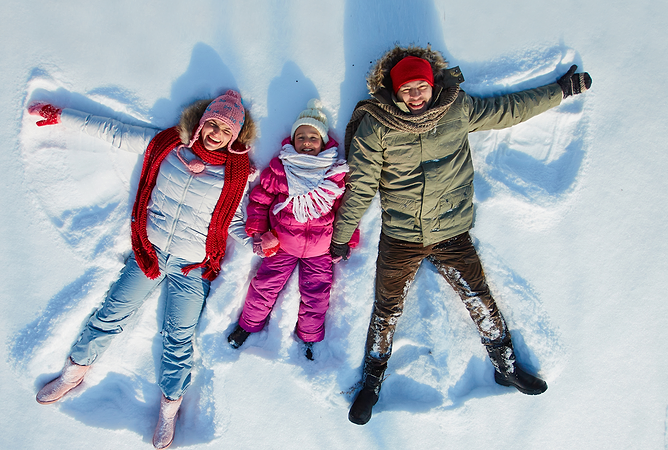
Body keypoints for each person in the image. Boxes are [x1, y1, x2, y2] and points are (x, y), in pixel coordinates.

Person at [330, 45, 592, 425]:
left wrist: (562, 90)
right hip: (401, 236)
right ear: (394, 91)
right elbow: (362, 185)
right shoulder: (377, 125)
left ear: (433, 84)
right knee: (387, 308)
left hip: (451, 230)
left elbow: (509, 109)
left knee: (479, 297)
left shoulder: (456, 108)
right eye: (407, 89)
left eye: (421, 86)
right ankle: (372, 382)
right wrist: (342, 235)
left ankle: (505, 364)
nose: (415, 95)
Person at [28, 90, 256, 449]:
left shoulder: (236, 175)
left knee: (178, 338)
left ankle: (169, 407)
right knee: (112, 313)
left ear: (235, 136)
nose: (215, 133)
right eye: (211, 123)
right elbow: (115, 132)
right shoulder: (167, 145)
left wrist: (258, 243)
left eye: (224, 130)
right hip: (149, 251)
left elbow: (236, 221)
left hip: (191, 266)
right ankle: (74, 372)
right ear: (200, 122)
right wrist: (62, 116)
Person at [226, 99, 358, 360]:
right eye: (301, 137)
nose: (307, 142)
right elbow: (261, 198)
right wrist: (258, 229)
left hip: (320, 249)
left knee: (316, 294)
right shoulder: (281, 168)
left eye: (313, 137)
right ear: (293, 140)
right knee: (264, 286)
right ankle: (248, 325)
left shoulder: (334, 173)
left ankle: (309, 337)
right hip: (282, 243)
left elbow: (345, 209)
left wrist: (347, 239)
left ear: (323, 141)